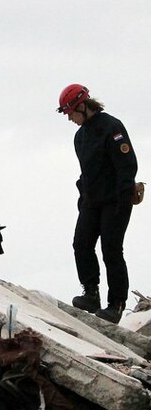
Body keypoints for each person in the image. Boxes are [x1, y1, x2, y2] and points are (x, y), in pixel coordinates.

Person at [57, 84, 138, 324]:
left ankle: (116, 303)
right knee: (81, 244)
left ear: (82, 106)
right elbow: (86, 171)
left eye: (71, 113)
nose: (70, 118)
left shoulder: (111, 127)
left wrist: (124, 200)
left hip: (115, 200)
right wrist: (83, 197)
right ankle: (91, 293)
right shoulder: (80, 136)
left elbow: (127, 166)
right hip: (91, 202)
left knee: (111, 250)